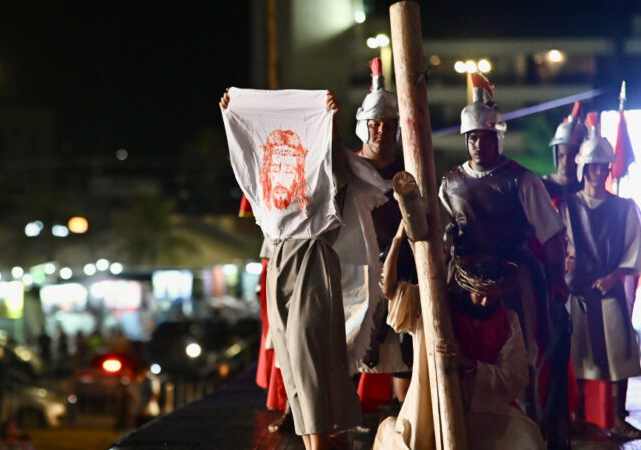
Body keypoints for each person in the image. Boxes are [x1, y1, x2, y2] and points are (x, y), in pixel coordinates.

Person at [221, 90, 368, 450]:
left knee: (310, 353)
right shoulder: (267, 185)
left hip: (313, 255)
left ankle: (325, 441)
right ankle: (326, 439)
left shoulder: (318, 182)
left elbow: (337, 170)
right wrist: (233, 115)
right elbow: (246, 151)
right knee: (289, 358)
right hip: (277, 258)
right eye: (278, 161)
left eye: (292, 161)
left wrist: (330, 125)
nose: (284, 168)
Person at [438, 73, 569, 445]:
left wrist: (557, 280)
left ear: (497, 137)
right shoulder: (450, 183)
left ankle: (526, 427)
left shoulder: (522, 181)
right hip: (464, 282)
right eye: (472, 137)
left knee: (522, 350)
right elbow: (440, 234)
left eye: (484, 136)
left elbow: (553, 235)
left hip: (514, 277)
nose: (478, 144)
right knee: (459, 352)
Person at [373, 223, 545, 450]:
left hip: (483, 411)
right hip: (432, 408)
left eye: (492, 297)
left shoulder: (508, 320)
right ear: (467, 288)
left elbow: (515, 376)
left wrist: (471, 365)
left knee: (527, 440)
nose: (485, 302)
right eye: (480, 295)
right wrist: (398, 237)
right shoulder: (437, 308)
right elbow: (389, 290)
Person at [558, 114, 641, 439]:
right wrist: (567, 267)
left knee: (618, 352)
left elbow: (634, 247)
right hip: (579, 290)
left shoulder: (624, 208)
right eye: (592, 165)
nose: (597, 171)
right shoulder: (568, 206)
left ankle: (618, 418)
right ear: (583, 169)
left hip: (609, 289)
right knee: (579, 353)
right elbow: (563, 245)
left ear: (609, 169)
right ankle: (578, 417)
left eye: (602, 166)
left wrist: (614, 276)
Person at [353, 57, 414, 410]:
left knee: (403, 360)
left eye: (389, 125)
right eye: (375, 124)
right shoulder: (349, 168)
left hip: (403, 275)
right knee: (352, 357)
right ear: (365, 126)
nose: (382, 131)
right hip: (358, 273)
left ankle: (404, 430)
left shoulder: (408, 170)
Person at [543, 101, 586, 204]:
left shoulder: (585, 188)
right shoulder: (541, 187)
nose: (565, 162)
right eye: (561, 155)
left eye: (572, 156)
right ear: (555, 154)